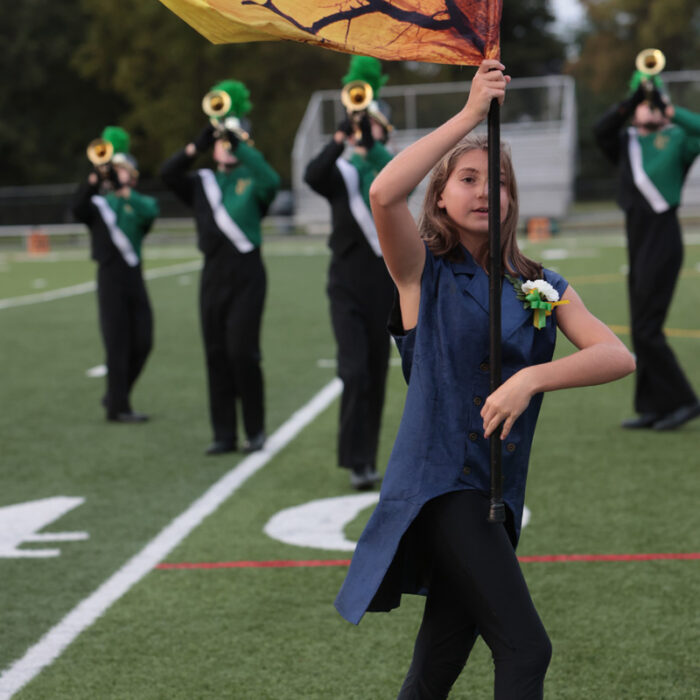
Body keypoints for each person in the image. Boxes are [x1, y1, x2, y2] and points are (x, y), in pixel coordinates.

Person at [334, 60, 636, 699]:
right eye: (467, 179)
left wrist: (531, 380)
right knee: (527, 650)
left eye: (497, 183)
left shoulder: (539, 283)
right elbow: (384, 194)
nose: (483, 192)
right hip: (443, 490)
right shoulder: (424, 273)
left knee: (436, 667)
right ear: (440, 194)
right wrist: (471, 116)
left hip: (498, 492)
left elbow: (616, 355)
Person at [161, 79, 280, 455]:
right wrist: (196, 144)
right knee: (216, 353)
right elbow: (167, 174)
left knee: (242, 351)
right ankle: (224, 434)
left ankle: (255, 429)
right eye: (220, 141)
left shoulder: (252, 177)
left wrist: (239, 142)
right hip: (213, 275)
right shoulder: (202, 182)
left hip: (247, 274)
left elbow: (271, 181)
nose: (224, 146)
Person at [304, 56, 396, 490]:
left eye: (371, 122)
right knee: (355, 371)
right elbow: (312, 175)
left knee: (376, 371)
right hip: (344, 281)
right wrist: (342, 135)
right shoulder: (339, 170)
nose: (365, 128)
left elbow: (400, 183)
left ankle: (366, 460)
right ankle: (353, 457)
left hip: (381, 282)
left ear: (383, 128)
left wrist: (372, 142)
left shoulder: (385, 164)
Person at [593, 69, 700, 430]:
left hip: (663, 238)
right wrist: (636, 98)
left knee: (649, 328)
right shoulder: (625, 142)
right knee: (640, 330)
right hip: (636, 240)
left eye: (654, 102)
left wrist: (670, 112)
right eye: (644, 103)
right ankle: (653, 406)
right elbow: (600, 131)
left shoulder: (678, 139)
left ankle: (684, 400)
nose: (648, 109)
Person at [72, 126, 158, 423]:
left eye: (123, 169)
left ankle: (116, 396)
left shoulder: (139, 203)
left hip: (133, 277)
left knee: (144, 341)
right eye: (115, 168)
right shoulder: (98, 204)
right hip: (109, 277)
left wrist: (124, 192)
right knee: (116, 343)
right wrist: (96, 178)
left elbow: (149, 214)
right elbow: (78, 209)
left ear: (132, 175)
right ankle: (118, 407)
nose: (117, 172)